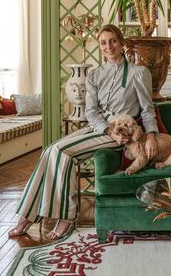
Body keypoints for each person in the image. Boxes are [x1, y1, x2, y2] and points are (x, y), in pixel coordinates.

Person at [8, 24, 159, 240]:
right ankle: (27, 214)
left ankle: (65, 218)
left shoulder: (138, 73)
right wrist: (107, 130)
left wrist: (151, 134)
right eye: (103, 42)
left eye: (113, 40)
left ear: (121, 42)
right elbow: (91, 111)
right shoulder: (95, 75)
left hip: (123, 133)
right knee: (49, 150)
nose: (109, 46)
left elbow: (146, 108)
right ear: (100, 46)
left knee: (61, 151)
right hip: (101, 128)